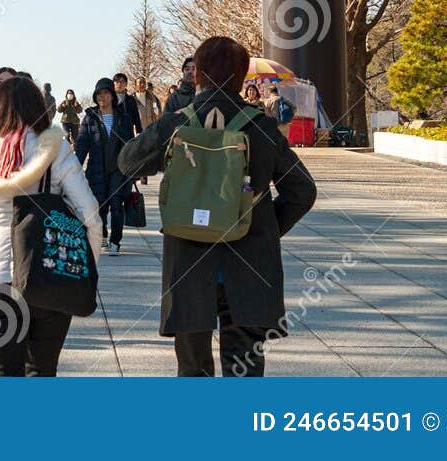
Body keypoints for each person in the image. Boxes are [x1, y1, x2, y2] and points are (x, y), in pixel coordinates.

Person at [119, 36, 318, 377]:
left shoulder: (177, 122)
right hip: (249, 261)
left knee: (193, 368)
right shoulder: (261, 126)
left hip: (189, 258)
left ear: (198, 74)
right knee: (244, 367)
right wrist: (263, 226)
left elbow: (128, 163)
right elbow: (302, 191)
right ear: (242, 78)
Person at [0, 72, 101, 377]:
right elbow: (90, 215)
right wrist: (84, 271)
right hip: (49, 274)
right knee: (42, 372)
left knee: (4, 376)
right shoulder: (57, 150)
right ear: (38, 108)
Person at [74, 75, 141, 256]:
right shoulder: (90, 118)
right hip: (97, 168)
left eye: (105, 93)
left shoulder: (123, 117)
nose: (101, 97)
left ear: (112, 95)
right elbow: (82, 145)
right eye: (98, 94)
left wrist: (134, 168)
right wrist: (74, 168)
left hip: (118, 169)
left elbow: (130, 144)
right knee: (99, 205)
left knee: (117, 205)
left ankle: (115, 241)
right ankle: (102, 235)